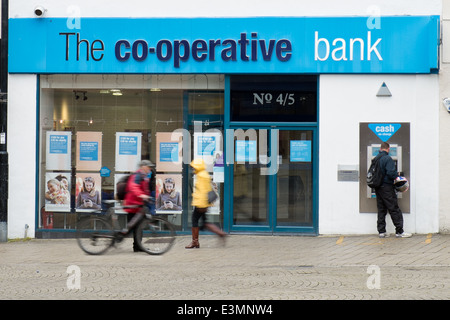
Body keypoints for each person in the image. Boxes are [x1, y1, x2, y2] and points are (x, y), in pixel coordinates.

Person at [185, 158, 226, 249]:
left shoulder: (201, 176)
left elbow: (203, 191)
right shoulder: (204, 174)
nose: (193, 169)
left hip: (201, 203)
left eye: (194, 168)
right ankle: (220, 233)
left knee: (194, 220)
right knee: (205, 223)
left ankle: (195, 242)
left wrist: (201, 204)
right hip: (203, 203)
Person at [374, 142, 412, 238]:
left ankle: (381, 232)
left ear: (381, 148)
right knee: (394, 209)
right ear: (388, 149)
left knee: (381, 209)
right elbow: (391, 173)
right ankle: (399, 231)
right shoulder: (387, 158)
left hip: (378, 187)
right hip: (386, 187)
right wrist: (398, 175)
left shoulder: (376, 159)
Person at [119, 160, 154, 252]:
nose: (150, 169)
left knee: (138, 226)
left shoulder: (144, 176)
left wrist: (147, 197)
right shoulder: (137, 175)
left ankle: (137, 246)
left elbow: (144, 189)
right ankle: (120, 238)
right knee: (133, 227)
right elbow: (133, 187)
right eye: (148, 167)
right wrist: (141, 195)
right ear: (143, 166)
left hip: (138, 205)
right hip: (132, 204)